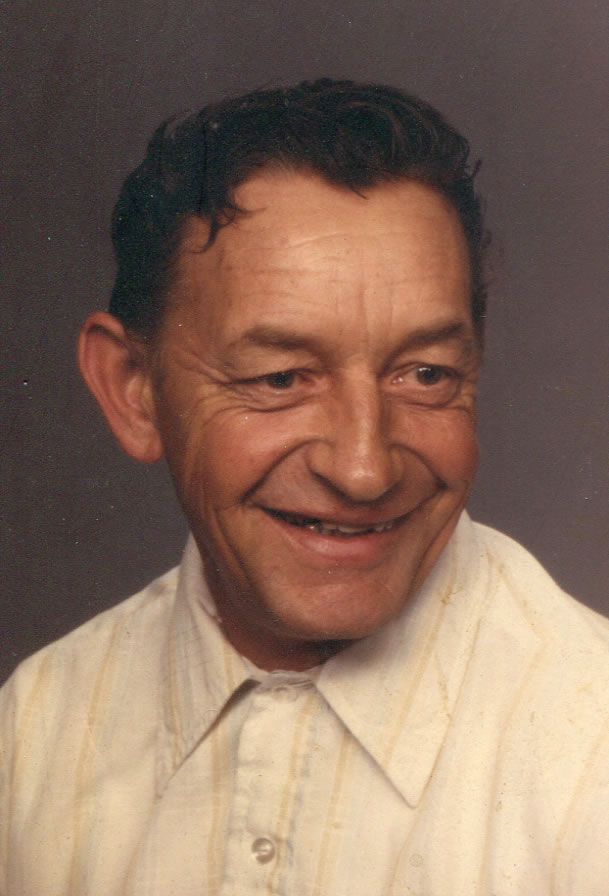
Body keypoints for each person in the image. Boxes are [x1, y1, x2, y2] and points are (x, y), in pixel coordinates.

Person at [1, 79, 607, 895]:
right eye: (279, 377)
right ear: (133, 390)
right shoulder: (30, 737)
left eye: (425, 374)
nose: (363, 470)